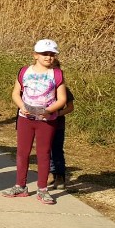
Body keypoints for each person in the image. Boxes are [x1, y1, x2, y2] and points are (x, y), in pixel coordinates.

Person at [4, 39, 68, 205]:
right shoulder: (24, 71)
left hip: (46, 120)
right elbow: (15, 93)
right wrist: (21, 106)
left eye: (52, 54)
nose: (49, 57)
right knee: (22, 152)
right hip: (26, 118)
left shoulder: (57, 74)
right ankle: (20, 185)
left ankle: (42, 189)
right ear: (35, 55)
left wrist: (48, 111)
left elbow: (62, 99)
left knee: (44, 153)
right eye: (44, 54)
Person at [48, 56, 75, 190]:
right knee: (46, 151)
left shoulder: (64, 89)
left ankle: (60, 177)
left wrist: (56, 114)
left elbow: (70, 107)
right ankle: (52, 175)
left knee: (57, 150)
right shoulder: (40, 88)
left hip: (58, 125)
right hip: (44, 124)